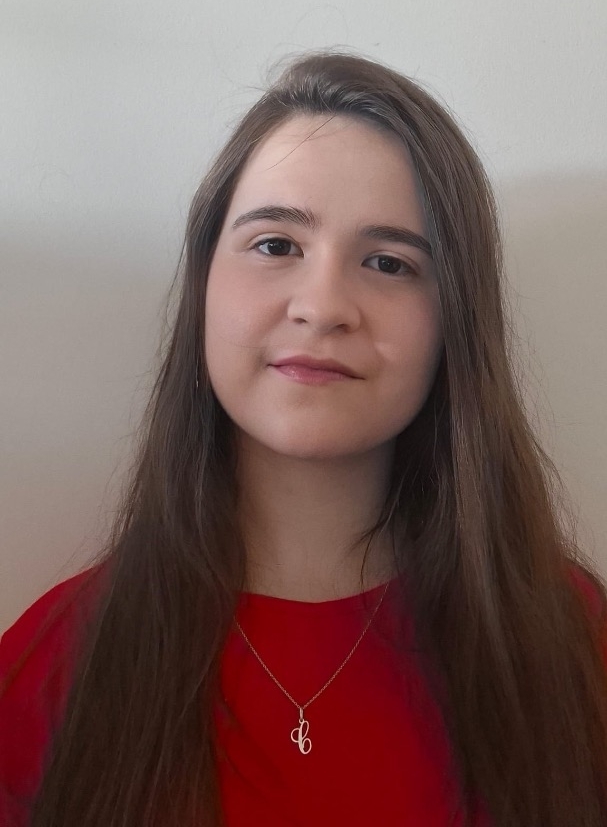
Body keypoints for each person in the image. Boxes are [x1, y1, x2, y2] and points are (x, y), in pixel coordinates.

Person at [1, 51, 607, 827]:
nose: (322, 307)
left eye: (388, 262)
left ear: (453, 322)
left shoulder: (571, 647)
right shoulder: (51, 667)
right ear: (203, 285)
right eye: (276, 245)